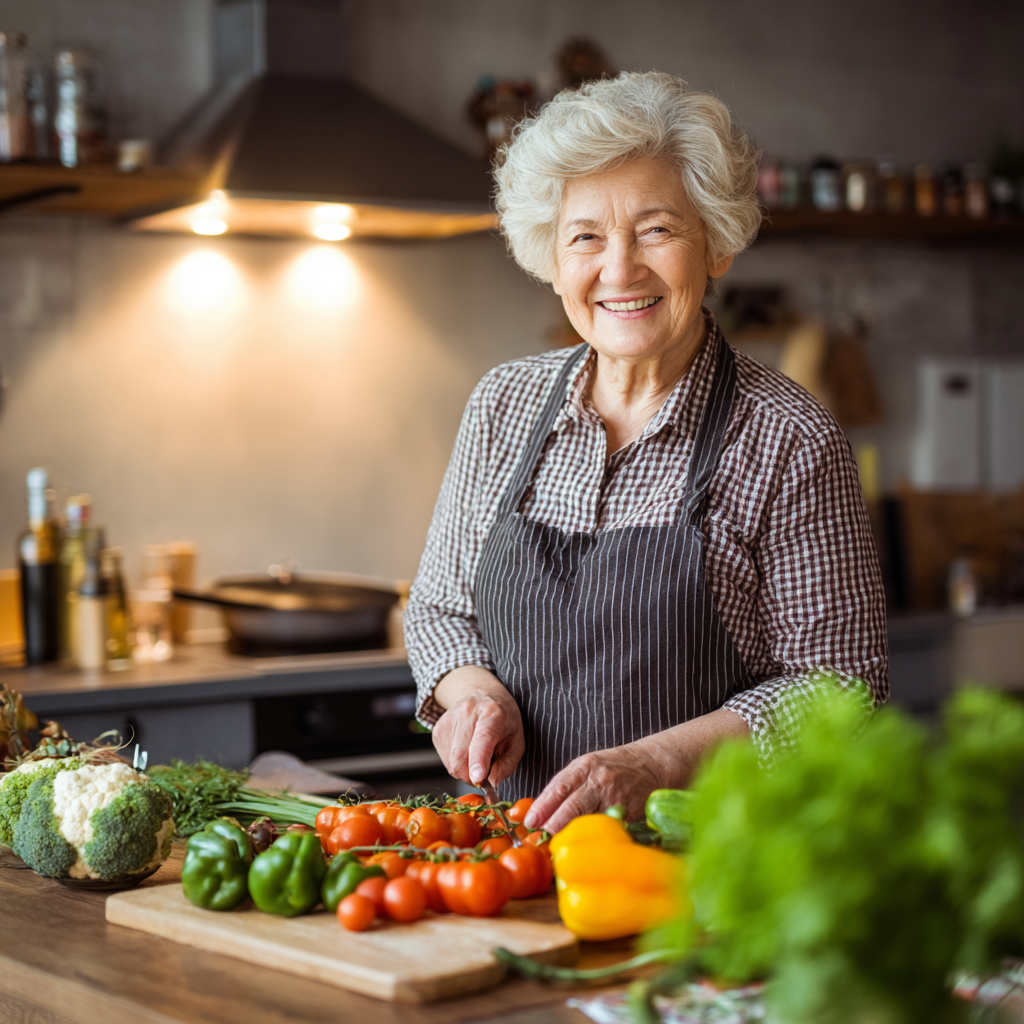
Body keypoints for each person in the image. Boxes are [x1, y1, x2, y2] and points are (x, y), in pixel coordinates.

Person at [404, 72, 888, 835]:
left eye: (657, 229)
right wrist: (473, 698)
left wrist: (656, 765)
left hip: (718, 875)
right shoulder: (502, 404)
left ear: (717, 244)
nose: (619, 268)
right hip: (517, 863)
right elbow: (440, 610)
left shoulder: (789, 436)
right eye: (586, 236)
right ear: (554, 259)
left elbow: (842, 691)